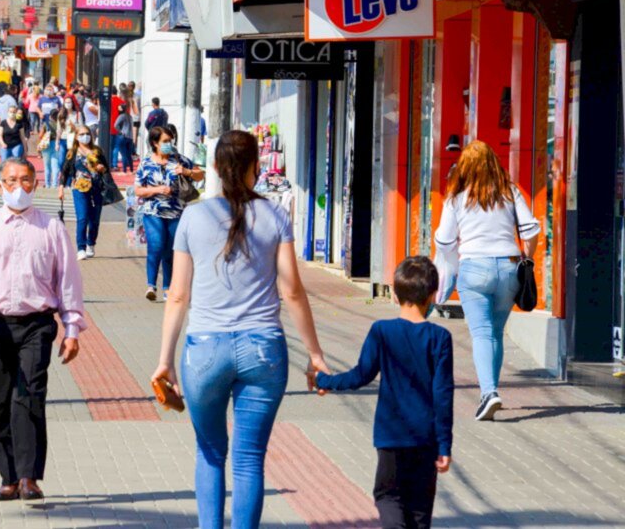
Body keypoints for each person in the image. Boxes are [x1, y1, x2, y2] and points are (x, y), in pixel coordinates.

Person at [151, 130, 329, 529]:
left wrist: (165, 361)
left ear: (214, 168)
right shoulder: (275, 216)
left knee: (210, 452)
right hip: (263, 349)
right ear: (256, 168)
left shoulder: (193, 217)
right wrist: (316, 354)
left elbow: (177, 295)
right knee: (249, 457)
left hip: (204, 351)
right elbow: (293, 291)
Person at [0, 157, 85, 503]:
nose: (19, 187)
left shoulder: (51, 228)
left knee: (28, 395)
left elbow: (68, 281)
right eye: (11, 180)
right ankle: (8, 476)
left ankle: (29, 477)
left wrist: (71, 329)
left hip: (37, 325)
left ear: (35, 184)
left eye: (26, 180)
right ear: (0, 185)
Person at [316, 256, 454, 529]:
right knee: (419, 509)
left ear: (394, 294)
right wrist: (444, 445)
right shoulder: (440, 338)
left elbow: (360, 375)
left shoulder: (382, 331)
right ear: (433, 294)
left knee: (388, 496)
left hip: (391, 437)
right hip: (425, 440)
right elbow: (443, 395)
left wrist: (326, 381)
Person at [433, 140, 539, 420]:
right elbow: (531, 231)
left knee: (481, 333)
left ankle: (489, 393)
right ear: (494, 163)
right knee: (496, 332)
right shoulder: (510, 192)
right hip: (509, 269)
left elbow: (443, 240)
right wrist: (527, 261)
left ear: (464, 166)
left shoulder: (456, 198)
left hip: (474, 270)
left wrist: (451, 262)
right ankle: (491, 391)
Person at [134, 126, 204, 302]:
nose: (168, 144)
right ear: (154, 143)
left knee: (170, 250)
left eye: (170, 140)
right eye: (165, 141)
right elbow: (137, 190)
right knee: (156, 245)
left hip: (175, 212)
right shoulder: (146, 163)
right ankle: (151, 285)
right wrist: (158, 189)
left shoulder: (178, 159)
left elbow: (200, 174)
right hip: (153, 211)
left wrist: (186, 171)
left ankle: (168, 288)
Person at [57, 125, 108, 261]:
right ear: (76, 137)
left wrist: (101, 168)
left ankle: (91, 242)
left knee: (94, 220)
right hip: (79, 188)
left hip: (96, 188)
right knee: (82, 217)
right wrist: (61, 187)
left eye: (87, 134)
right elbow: (65, 171)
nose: (85, 136)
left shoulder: (97, 151)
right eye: (81, 134)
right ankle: (81, 248)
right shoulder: (73, 152)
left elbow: (106, 169)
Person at [39, 109, 60, 189]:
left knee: (47, 166)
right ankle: (54, 184)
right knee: (55, 165)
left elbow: (40, 135)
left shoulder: (46, 124)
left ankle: (47, 184)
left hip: (46, 145)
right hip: (56, 144)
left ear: (50, 116)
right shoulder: (59, 124)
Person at [113, 103, 134, 172]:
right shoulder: (130, 116)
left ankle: (124, 170)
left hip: (123, 136)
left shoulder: (121, 116)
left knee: (123, 154)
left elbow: (115, 125)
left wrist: (120, 131)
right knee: (129, 155)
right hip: (130, 137)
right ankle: (131, 169)